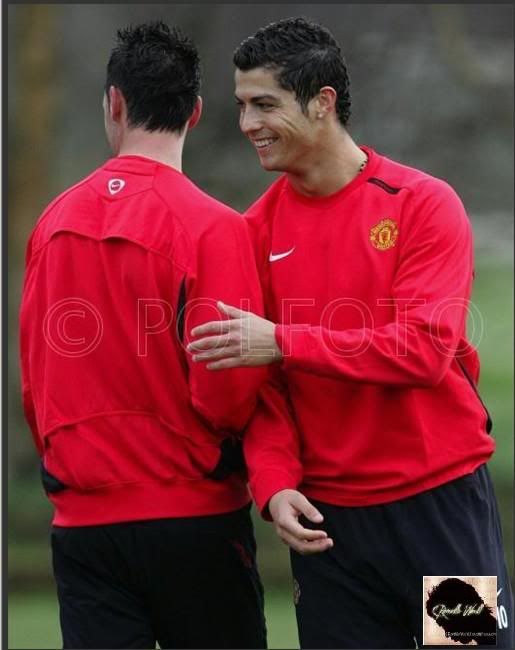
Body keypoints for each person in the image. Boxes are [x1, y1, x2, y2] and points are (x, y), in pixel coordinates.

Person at [187, 17, 514, 649]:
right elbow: (265, 388)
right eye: (241, 106)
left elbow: (421, 349)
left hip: (436, 507)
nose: (248, 123)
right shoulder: (252, 233)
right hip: (329, 527)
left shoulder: (422, 203)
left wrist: (284, 337)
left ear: (322, 102)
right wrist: (275, 482)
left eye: (264, 104)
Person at [19, 21, 270, 650]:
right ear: (195, 111)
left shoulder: (52, 225)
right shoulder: (215, 227)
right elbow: (230, 388)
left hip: (83, 523)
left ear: (114, 103)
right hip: (194, 516)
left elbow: (34, 378)